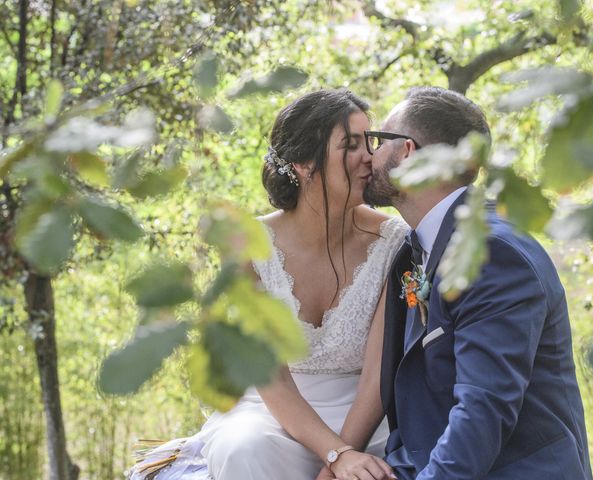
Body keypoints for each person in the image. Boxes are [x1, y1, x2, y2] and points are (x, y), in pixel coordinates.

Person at [128, 89, 407, 480]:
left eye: (369, 142)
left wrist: (346, 454)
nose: (370, 157)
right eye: (350, 145)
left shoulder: (394, 241)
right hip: (275, 410)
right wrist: (334, 453)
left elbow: (379, 373)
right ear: (304, 163)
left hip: (366, 415)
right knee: (245, 448)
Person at [362, 86, 592, 479]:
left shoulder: (492, 254)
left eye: (379, 142)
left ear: (407, 152)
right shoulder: (415, 249)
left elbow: (483, 411)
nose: (370, 155)